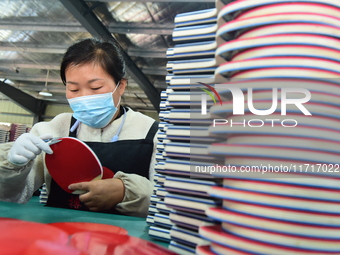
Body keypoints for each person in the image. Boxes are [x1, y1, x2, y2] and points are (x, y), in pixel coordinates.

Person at [0, 38, 159, 217]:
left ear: (120, 86)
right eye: (74, 90)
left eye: (95, 87)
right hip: (61, 239)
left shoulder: (151, 134)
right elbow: (12, 197)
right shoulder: (54, 130)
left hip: (127, 242)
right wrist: (11, 166)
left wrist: (127, 192)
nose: (84, 97)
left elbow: (169, 202)